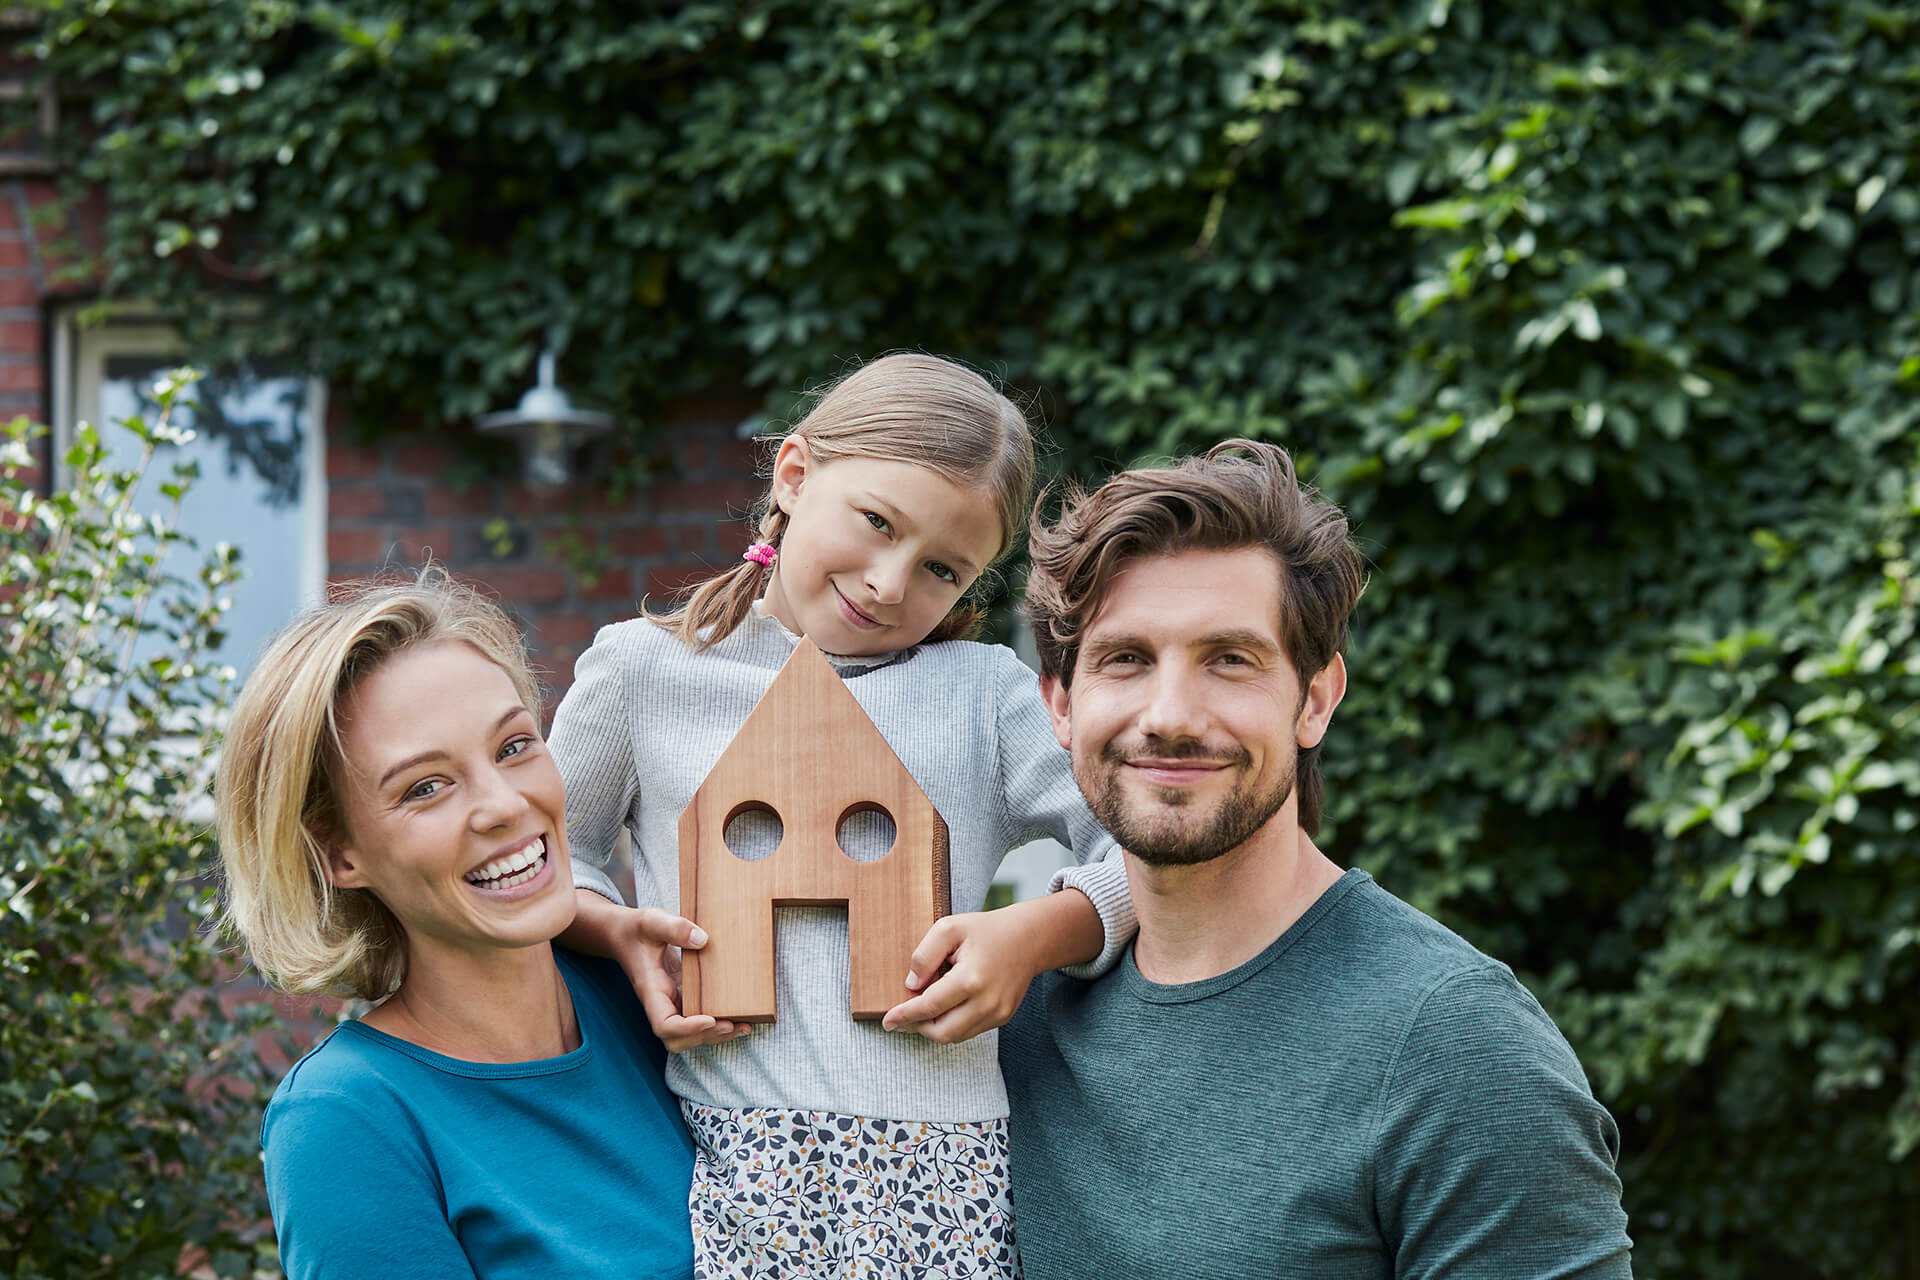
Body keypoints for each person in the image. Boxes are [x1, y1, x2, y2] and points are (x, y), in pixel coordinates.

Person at [550, 353, 1134, 1278]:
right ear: (794, 474)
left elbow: (1139, 855)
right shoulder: (642, 673)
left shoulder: (986, 696)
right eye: (876, 523)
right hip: (730, 1164)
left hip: (952, 1178)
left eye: (943, 568)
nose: (892, 584)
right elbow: (550, 855)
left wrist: (1033, 935)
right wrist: (614, 928)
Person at [1001, 440, 1634, 1278]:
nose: (1171, 714)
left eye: (1230, 659)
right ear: (1059, 705)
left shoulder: (1455, 1049)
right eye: (1127, 659)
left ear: (1316, 699)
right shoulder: (1008, 1017)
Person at [215, 576, 699, 1280]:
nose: (505, 804)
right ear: (339, 854)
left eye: (513, 747)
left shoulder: (658, 994)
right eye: (426, 787)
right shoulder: (347, 1119)